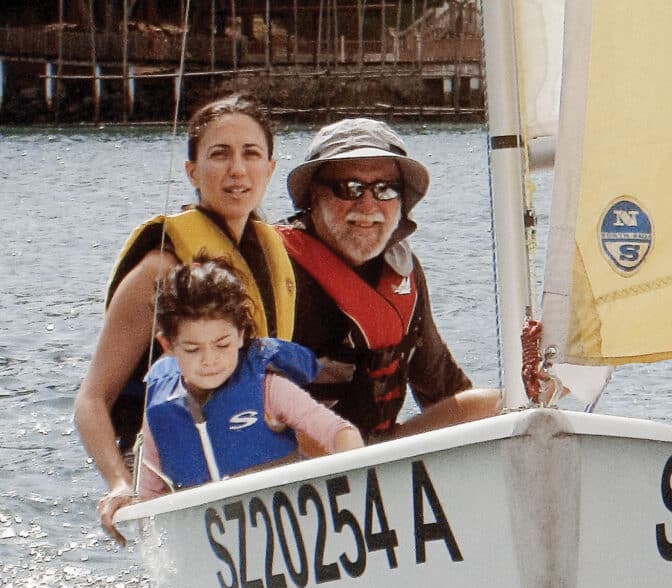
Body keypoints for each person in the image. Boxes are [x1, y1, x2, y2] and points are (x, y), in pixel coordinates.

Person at [74, 92, 295, 540]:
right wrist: (119, 486)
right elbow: (92, 399)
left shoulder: (273, 257)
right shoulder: (159, 269)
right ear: (192, 171)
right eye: (220, 155)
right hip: (170, 452)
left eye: (251, 154)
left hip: (248, 437)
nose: (237, 170)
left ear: (270, 169)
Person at [277, 118, 501, 443]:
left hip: (381, 461)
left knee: (497, 406)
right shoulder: (277, 271)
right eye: (350, 188)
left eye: (385, 189)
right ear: (314, 194)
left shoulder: (403, 272)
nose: (368, 205)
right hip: (299, 467)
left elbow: (442, 386)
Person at [135, 259, 362, 523]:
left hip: (292, 528)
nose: (209, 360)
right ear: (168, 344)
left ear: (241, 335)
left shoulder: (269, 390)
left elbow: (341, 433)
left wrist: (356, 491)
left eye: (222, 344)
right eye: (192, 349)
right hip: (211, 545)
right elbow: (147, 497)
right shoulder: (159, 411)